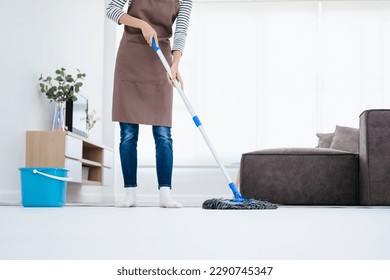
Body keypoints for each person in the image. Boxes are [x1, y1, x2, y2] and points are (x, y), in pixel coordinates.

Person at [106, 0, 193, 208]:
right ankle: (130, 193)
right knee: (128, 132)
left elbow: (181, 31)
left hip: (159, 57)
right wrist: (141, 24)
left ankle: (165, 194)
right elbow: (111, 10)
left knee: (163, 132)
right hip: (131, 56)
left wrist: (175, 65)